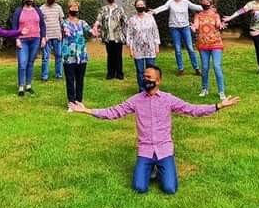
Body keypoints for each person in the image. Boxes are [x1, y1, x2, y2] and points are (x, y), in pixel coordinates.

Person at [71, 64, 239, 194]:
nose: (145, 80)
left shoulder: (168, 99)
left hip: (164, 150)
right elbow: (114, 112)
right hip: (145, 151)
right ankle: (150, 168)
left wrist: (218, 106)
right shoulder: (136, 100)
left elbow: (192, 109)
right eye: (144, 77)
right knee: (139, 188)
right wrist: (88, 110)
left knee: (170, 189)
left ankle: (159, 169)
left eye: (149, 77)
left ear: (158, 81)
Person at [152, 0, 202, 76]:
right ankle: (181, 69)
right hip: (174, 28)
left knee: (190, 48)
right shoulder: (170, 2)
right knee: (178, 50)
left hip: (185, 27)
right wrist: (154, 11)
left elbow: (196, 7)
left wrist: (207, 7)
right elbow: (163, 7)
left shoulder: (185, 2)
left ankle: (196, 68)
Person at [192, 0, 230, 101]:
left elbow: (218, 25)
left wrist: (221, 26)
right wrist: (193, 27)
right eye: (203, 2)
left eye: (207, 2)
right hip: (203, 44)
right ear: (201, 4)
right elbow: (195, 25)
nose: (205, 4)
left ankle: (221, 91)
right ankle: (204, 88)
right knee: (204, 67)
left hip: (215, 43)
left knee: (217, 66)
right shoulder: (198, 15)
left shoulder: (215, 15)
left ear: (210, 3)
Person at [60, 0, 96, 110]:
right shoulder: (64, 23)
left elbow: (90, 32)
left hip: (81, 55)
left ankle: (79, 101)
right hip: (68, 55)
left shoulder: (82, 23)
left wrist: (94, 31)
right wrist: (65, 31)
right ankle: (71, 102)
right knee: (70, 79)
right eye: (72, 7)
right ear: (68, 9)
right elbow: (64, 31)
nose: (75, 9)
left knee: (80, 79)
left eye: (76, 7)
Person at [10, 0, 45, 97]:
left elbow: (42, 25)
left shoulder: (37, 10)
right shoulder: (18, 11)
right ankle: (21, 86)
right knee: (22, 63)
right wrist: (16, 39)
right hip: (22, 40)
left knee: (30, 63)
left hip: (35, 39)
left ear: (33, 0)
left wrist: (43, 37)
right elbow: (14, 26)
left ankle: (28, 85)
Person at [126, 0, 161, 91]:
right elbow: (129, 35)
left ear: (144, 6)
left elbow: (155, 31)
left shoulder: (150, 17)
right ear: (135, 7)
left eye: (142, 5)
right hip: (138, 48)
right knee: (140, 70)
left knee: (151, 70)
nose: (140, 7)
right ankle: (142, 89)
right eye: (138, 5)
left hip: (150, 47)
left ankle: (151, 88)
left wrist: (157, 45)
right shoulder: (132, 20)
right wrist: (130, 49)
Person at [94, 0, 127, 80]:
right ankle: (110, 73)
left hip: (117, 36)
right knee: (110, 55)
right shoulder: (103, 9)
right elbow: (99, 19)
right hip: (108, 36)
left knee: (118, 56)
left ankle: (119, 74)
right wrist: (95, 26)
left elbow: (125, 20)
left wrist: (126, 33)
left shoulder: (120, 9)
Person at [39, 0, 64, 82]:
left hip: (57, 36)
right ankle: (44, 76)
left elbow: (61, 21)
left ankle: (59, 75)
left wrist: (63, 32)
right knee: (45, 57)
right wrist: (43, 36)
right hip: (47, 37)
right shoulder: (41, 8)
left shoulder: (58, 8)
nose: (51, 1)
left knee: (59, 56)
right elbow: (40, 24)